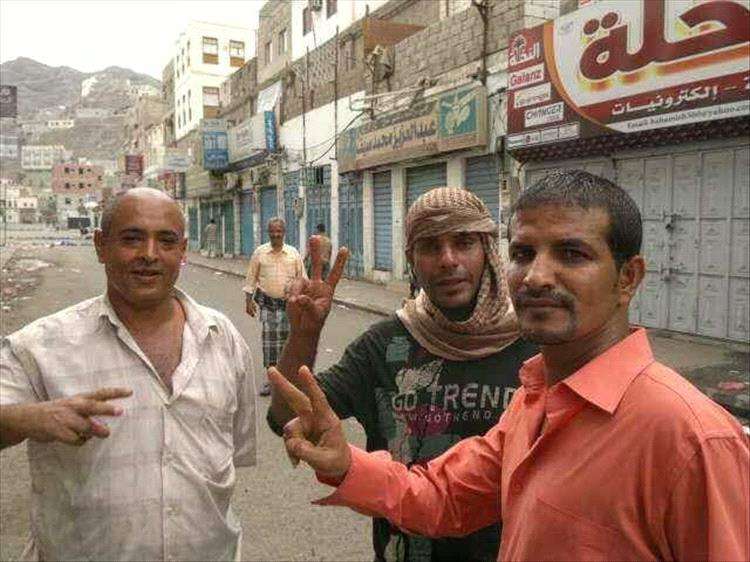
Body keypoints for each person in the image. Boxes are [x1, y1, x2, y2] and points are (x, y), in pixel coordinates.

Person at [271, 171, 750, 562]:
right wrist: (345, 463)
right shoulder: (535, 400)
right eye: (523, 253)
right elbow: (443, 496)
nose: (537, 277)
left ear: (628, 277)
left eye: (572, 254)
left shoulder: (692, 439)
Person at [269, 187, 537, 561]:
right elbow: (287, 415)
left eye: (463, 243)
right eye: (430, 246)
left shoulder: (536, 346)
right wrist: (304, 333)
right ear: (412, 259)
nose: (448, 260)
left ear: (488, 251)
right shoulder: (384, 346)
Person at [0, 188, 257, 562]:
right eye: (132, 238)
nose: (150, 254)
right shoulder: (39, 346)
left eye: (166, 241)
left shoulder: (222, 337)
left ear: (183, 251)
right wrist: (29, 418)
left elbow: (233, 449)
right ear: (100, 246)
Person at [244, 217, 305, 396]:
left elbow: (302, 279)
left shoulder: (293, 253)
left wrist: (303, 303)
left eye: (279, 231)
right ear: (268, 232)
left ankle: (288, 381)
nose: (275, 234)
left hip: (289, 306)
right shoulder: (260, 253)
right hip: (268, 305)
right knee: (270, 343)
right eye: (272, 231)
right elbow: (251, 278)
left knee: (288, 344)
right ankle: (272, 382)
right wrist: (248, 301)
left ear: (284, 233)